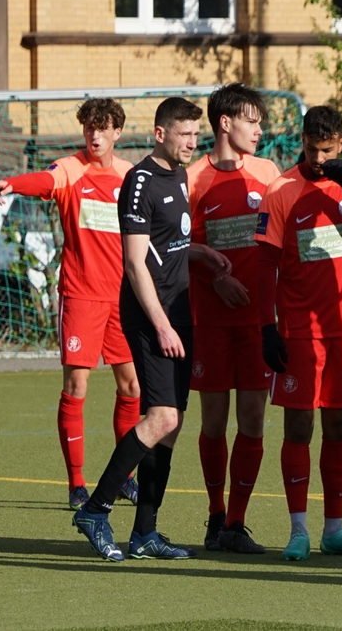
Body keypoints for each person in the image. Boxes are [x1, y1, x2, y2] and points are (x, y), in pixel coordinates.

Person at [71, 97, 231, 562]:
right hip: (150, 316)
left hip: (178, 314)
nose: (192, 142)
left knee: (170, 427)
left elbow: (169, 243)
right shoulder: (139, 181)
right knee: (162, 417)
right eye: (184, 134)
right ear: (160, 134)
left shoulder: (178, 175)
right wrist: (161, 325)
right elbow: (135, 263)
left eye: (196, 134)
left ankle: (145, 533)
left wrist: (201, 254)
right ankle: (95, 510)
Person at [0, 99, 140, 510]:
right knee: (77, 386)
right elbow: (44, 180)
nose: (95, 135)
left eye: (102, 128)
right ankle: (76, 483)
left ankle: (124, 477)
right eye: (89, 127)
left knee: (132, 387)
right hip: (81, 295)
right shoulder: (71, 169)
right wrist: (12, 183)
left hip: (123, 298)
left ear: (117, 132)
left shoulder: (129, 175)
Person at [254, 105, 342, 562]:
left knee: (339, 428)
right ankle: (298, 530)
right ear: (303, 142)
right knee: (299, 428)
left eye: (327, 150)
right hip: (299, 332)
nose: (317, 158)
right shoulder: (281, 190)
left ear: (341, 145)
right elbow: (265, 265)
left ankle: (335, 529)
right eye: (311, 149)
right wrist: (267, 327)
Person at [186, 83, 280, 554]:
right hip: (209, 320)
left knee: (254, 419)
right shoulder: (192, 179)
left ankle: (236, 524)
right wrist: (216, 277)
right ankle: (214, 514)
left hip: (258, 321)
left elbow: (279, 238)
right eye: (251, 121)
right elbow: (170, 247)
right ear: (225, 123)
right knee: (213, 422)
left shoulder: (268, 173)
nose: (259, 130)